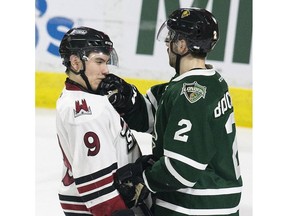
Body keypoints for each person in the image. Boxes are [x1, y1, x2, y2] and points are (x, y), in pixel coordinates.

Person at [97, 7, 243, 216]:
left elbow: (181, 169)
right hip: (212, 202)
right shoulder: (209, 82)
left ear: (182, 45)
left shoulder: (191, 95)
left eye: (171, 38)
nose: (167, 44)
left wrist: (144, 180)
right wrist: (126, 97)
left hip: (196, 207)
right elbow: (157, 118)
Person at [56, 26, 146, 216]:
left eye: (106, 62)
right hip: (100, 209)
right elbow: (96, 188)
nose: (106, 70)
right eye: (99, 62)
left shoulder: (90, 99)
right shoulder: (84, 114)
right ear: (75, 62)